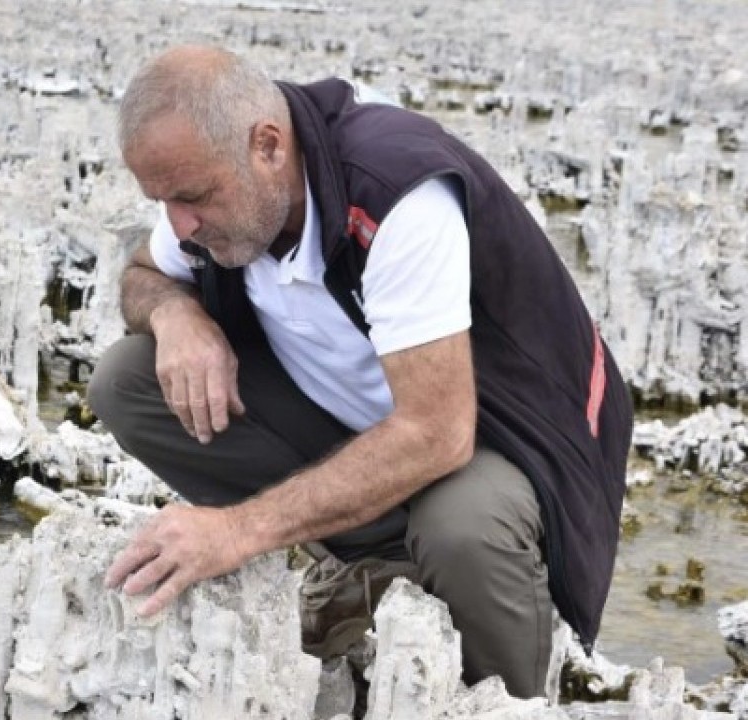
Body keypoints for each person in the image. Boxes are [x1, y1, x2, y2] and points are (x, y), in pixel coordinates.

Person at [87, 45, 632, 699]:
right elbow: (144, 275)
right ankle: (378, 565)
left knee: (461, 531)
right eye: (163, 200)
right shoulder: (217, 180)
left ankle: (509, 701)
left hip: (505, 439)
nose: (180, 225)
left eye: (194, 197)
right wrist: (178, 316)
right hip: (364, 421)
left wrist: (236, 532)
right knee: (128, 379)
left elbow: (437, 434)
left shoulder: (396, 191)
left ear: (267, 146)